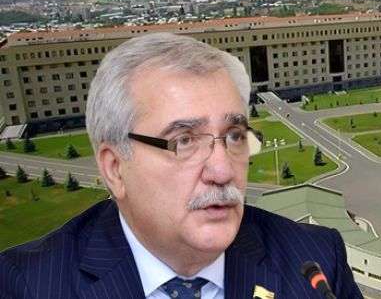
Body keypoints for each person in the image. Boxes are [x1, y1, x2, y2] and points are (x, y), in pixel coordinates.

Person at [0, 33, 362, 299]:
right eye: (184, 141)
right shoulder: (27, 285)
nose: (222, 171)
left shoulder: (314, 261)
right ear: (114, 168)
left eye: (234, 136)